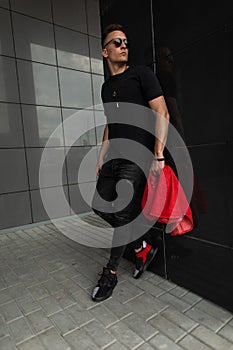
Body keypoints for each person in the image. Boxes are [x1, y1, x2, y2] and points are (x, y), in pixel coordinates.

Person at [91, 23, 170, 302]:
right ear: (105, 51)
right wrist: (101, 156)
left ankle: (110, 274)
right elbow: (110, 125)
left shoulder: (141, 75)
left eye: (125, 41)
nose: (123, 45)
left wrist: (158, 154)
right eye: (116, 42)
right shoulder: (106, 88)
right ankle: (141, 245)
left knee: (122, 212)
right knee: (99, 206)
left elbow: (162, 112)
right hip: (114, 158)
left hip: (137, 156)